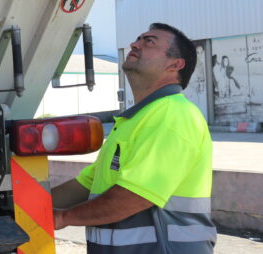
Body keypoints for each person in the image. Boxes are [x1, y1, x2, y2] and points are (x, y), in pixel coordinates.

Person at [52, 23, 215, 253]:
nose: (134, 44)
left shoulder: (173, 114)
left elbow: (135, 195)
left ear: (175, 64)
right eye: (138, 38)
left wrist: (62, 218)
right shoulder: (134, 121)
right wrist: (28, 207)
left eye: (149, 41)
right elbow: (87, 183)